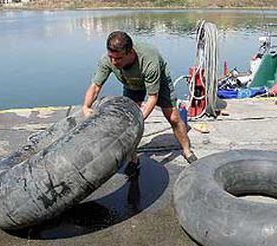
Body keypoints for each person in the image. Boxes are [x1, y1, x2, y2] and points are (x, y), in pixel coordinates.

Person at [82, 31, 197, 174]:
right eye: (111, 57)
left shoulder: (149, 61)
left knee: (173, 117)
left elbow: (152, 97)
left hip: (159, 84)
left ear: (130, 53)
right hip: (132, 85)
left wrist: (138, 118)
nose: (113, 62)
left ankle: (187, 150)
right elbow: (95, 86)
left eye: (118, 58)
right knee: (128, 125)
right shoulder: (108, 60)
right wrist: (86, 107)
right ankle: (133, 159)